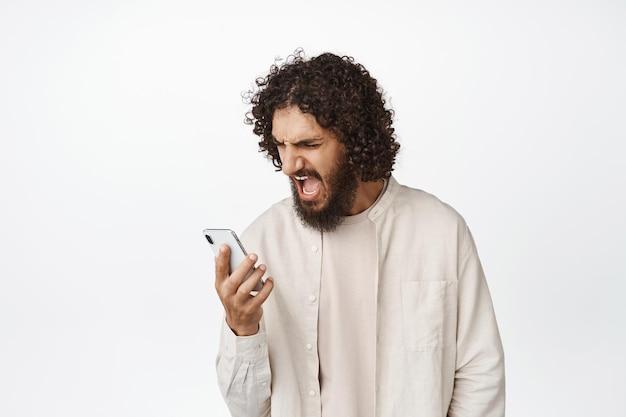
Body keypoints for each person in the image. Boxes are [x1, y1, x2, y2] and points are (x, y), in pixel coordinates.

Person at [214, 49, 505, 417]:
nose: (288, 165)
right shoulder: (264, 241)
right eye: (281, 145)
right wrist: (241, 327)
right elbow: (246, 408)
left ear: (354, 140)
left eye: (308, 144)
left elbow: (480, 375)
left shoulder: (440, 231)